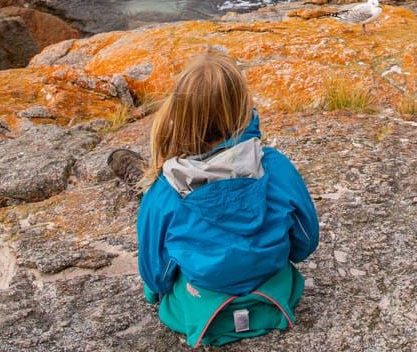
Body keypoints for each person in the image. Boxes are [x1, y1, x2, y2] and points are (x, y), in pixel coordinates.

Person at [134, 52, 319, 346]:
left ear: (177, 114)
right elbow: (305, 242)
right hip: (274, 296)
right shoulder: (275, 166)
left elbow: (156, 276)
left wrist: (157, 288)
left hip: (202, 312)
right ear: (242, 107)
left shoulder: (166, 191)